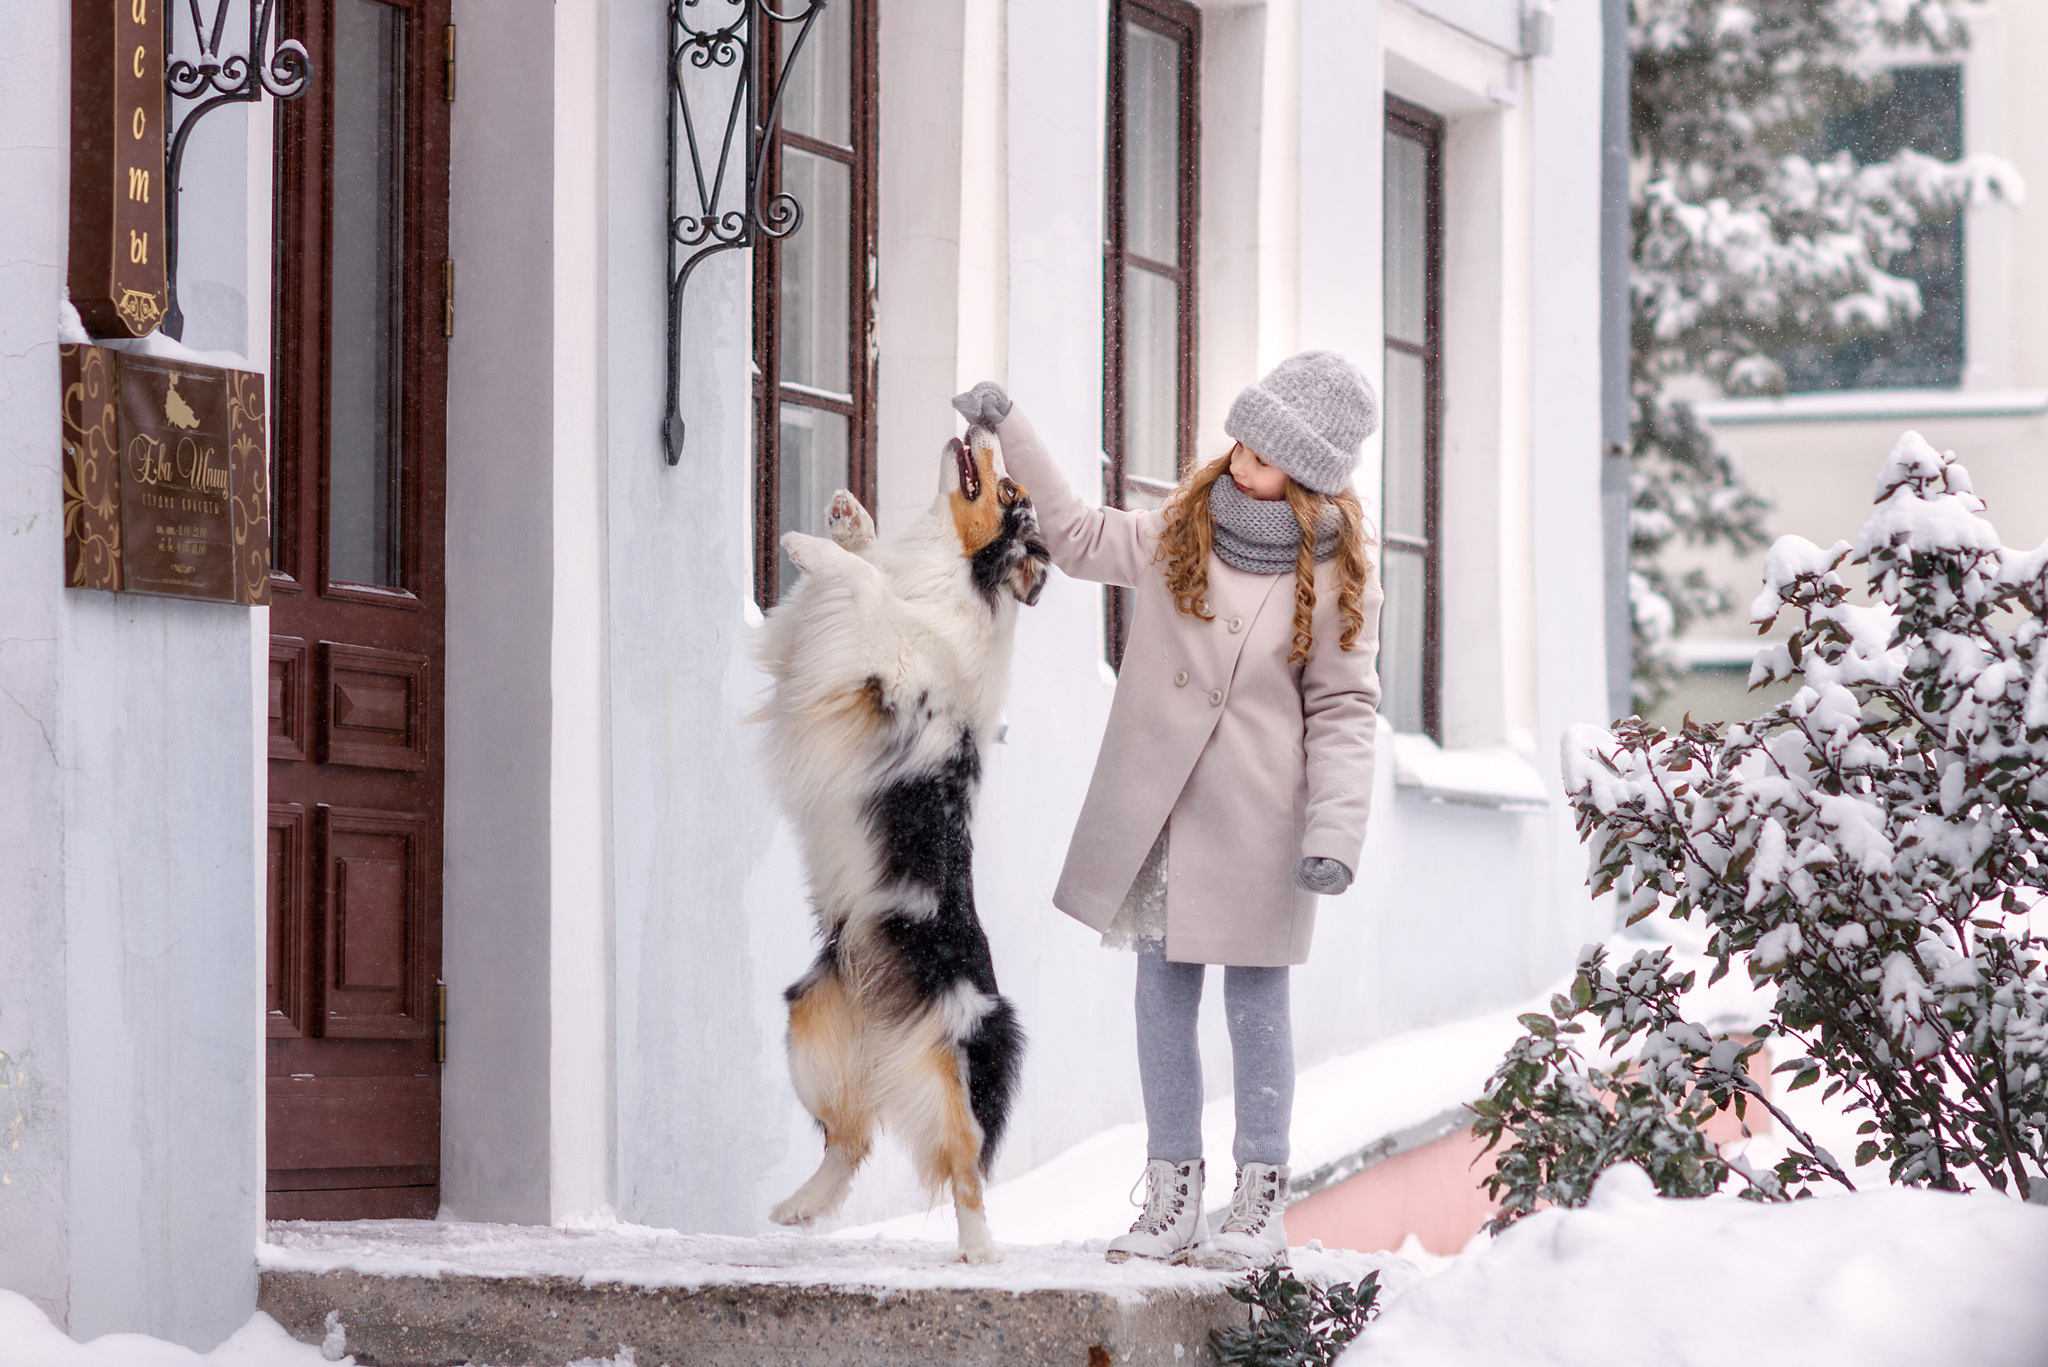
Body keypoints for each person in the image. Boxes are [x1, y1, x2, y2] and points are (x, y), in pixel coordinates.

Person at [951, 353, 1383, 1269]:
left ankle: (1260, 1199)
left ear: (1305, 474)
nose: (1237, 458)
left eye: (1262, 452)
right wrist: (1009, 422)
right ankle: (1172, 1193)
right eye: (1241, 437)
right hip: (1166, 814)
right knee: (1161, 996)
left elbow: (1345, 707)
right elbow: (1071, 533)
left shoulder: (1339, 574)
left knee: (1258, 1004)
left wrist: (1334, 833)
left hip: (1265, 825)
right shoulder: (1178, 530)